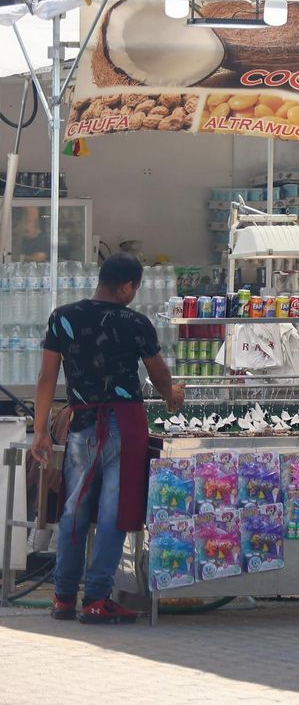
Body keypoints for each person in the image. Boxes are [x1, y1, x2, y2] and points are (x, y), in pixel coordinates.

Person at [29, 252, 183, 624]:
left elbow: (46, 378)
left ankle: (63, 598)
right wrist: (172, 395)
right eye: (135, 287)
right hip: (125, 422)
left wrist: (40, 431)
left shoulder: (62, 317)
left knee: (74, 508)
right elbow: (159, 375)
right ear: (127, 286)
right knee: (115, 510)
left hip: (81, 422)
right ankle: (97, 598)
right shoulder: (134, 323)